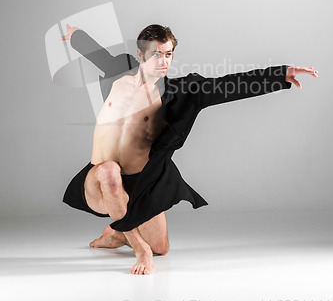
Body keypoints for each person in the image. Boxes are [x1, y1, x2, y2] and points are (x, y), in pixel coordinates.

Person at [61, 23, 318, 275]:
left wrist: (279, 74)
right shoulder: (119, 71)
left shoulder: (180, 93)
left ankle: (118, 234)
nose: (163, 61)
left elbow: (227, 85)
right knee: (109, 172)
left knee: (162, 248)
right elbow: (97, 54)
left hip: (141, 184)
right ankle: (140, 249)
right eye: (156, 54)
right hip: (100, 183)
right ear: (140, 55)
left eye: (168, 54)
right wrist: (75, 36)